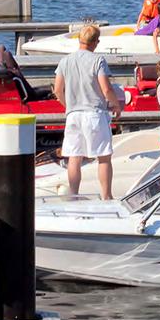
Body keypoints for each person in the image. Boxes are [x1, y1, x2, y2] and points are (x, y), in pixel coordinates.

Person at [53, 24, 122, 199]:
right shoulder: (98, 60)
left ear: (79, 39)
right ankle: (106, 196)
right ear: (96, 42)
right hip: (94, 114)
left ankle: (74, 194)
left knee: (74, 157)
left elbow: (57, 89)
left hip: (74, 115)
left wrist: (67, 105)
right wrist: (116, 105)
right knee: (103, 157)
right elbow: (106, 89)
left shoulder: (65, 61)